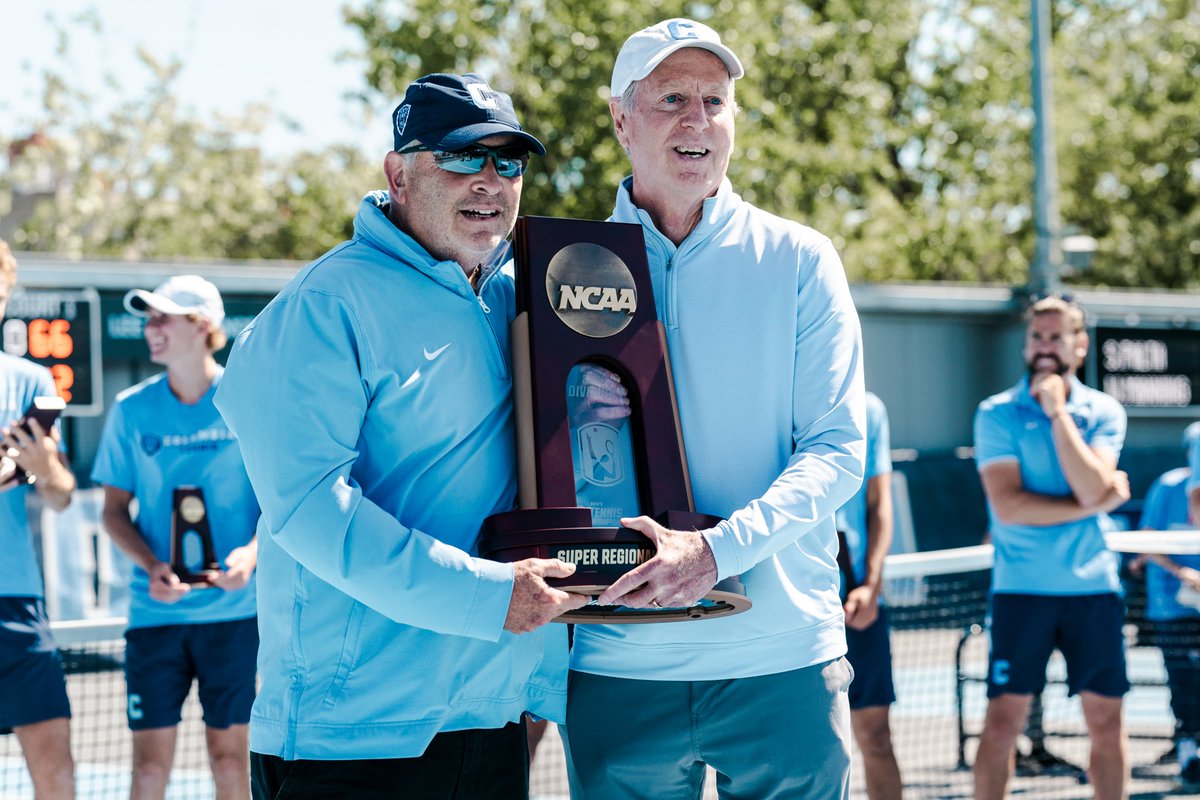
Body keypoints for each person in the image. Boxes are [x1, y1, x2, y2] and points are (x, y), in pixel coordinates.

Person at [213, 72, 588, 799]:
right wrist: (486, 598)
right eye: (460, 158)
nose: (489, 181)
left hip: (492, 725)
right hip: (352, 745)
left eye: (507, 162)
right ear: (398, 173)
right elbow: (310, 513)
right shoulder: (320, 308)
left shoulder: (527, 295)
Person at [563, 19, 866, 800]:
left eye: (715, 100)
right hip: (616, 660)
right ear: (620, 119)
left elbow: (837, 450)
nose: (697, 119)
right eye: (671, 98)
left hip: (781, 658)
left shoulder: (799, 259)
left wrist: (714, 553)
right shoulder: (556, 269)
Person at [91, 275, 259, 800]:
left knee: (231, 764)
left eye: (164, 317)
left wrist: (250, 559)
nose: (151, 328)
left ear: (202, 326)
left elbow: (281, 504)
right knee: (147, 772)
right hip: (154, 618)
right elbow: (113, 512)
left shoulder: (249, 399)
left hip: (235, 618)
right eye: (149, 318)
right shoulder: (131, 409)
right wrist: (150, 567)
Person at [972, 295, 1132, 800]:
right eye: (1037, 337)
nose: (1044, 347)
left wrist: (1058, 411)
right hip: (1021, 593)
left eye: (1056, 337)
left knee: (1106, 722)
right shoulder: (995, 413)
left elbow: (1087, 486)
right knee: (1003, 724)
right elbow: (1010, 508)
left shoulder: (1103, 411)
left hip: (1095, 593)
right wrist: (1097, 503)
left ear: (1079, 345)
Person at [0, 239, 77, 799]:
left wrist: (45, 467)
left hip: (16, 599)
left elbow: (62, 496)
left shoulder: (29, 381)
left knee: (57, 775)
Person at [835, 391, 902, 800]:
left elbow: (880, 504)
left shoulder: (870, 408)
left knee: (875, 736)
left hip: (857, 604)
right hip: (793, 610)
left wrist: (871, 585)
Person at [1134, 422, 1200, 787]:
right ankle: (1188, 749)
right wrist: (1183, 574)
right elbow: (1146, 541)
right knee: (1183, 680)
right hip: (1172, 607)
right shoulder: (1169, 486)